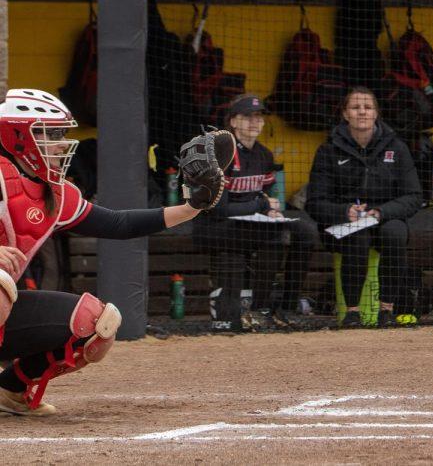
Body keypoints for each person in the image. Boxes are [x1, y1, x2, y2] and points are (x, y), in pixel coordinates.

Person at [0, 89, 207, 416]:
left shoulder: (55, 193)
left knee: (97, 323)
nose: (60, 143)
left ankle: (11, 390)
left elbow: (118, 223)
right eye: (50, 134)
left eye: (61, 134)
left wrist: (191, 208)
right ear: (18, 136)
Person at [191, 94, 320, 332]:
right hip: (211, 226)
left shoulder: (263, 155)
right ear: (233, 121)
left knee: (306, 232)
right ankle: (256, 309)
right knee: (270, 236)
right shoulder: (220, 152)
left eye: (259, 117)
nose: (255, 122)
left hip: (249, 224)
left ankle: (283, 307)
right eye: (248, 117)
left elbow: (269, 194)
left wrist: (272, 208)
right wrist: (261, 206)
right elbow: (217, 209)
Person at [306, 87, 423, 328]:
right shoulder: (328, 149)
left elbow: (413, 196)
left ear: (376, 113)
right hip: (341, 224)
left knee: (395, 232)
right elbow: (314, 202)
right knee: (357, 234)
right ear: (345, 114)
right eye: (355, 107)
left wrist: (382, 212)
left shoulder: (397, 148)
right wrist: (344, 211)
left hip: (384, 219)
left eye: (368, 107)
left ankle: (387, 310)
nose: (362, 112)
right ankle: (352, 313)